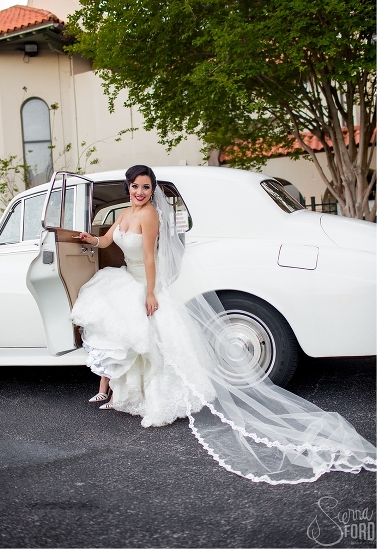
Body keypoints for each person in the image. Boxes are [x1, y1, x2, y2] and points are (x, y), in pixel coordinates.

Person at [70, 164, 375, 483]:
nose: (140, 192)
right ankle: (124, 392)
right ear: (128, 187)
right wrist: (89, 239)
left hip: (144, 281)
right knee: (123, 330)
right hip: (126, 278)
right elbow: (106, 241)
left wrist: (149, 293)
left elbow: (148, 257)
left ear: (152, 189)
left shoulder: (148, 216)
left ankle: (147, 397)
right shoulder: (124, 214)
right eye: (135, 186)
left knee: (146, 337)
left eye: (146, 187)